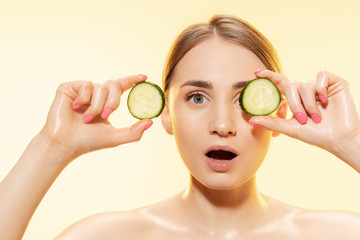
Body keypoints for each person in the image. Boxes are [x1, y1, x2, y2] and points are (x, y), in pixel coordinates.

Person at [1, 14, 360, 240]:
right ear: (166, 113)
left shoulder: (339, 233)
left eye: (244, 99)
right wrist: (52, 146)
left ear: (280, 113)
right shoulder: (104, 235)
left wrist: (350, 141)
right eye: (197, 98)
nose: (222, 125)